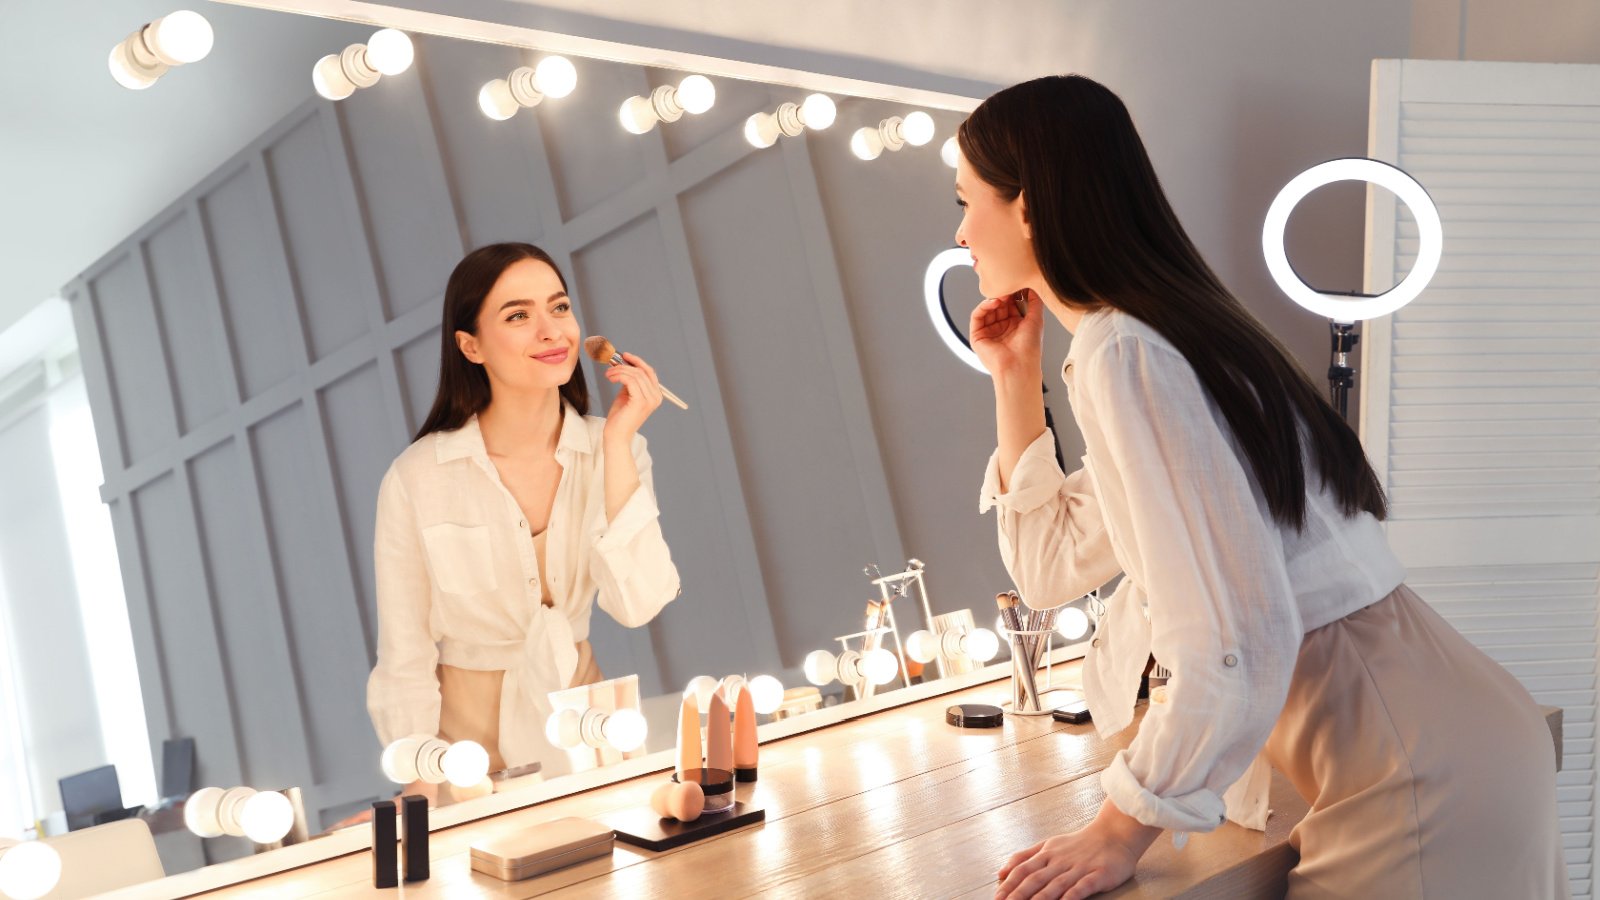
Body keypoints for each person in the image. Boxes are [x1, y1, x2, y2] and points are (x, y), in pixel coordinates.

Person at [961, 76, 1565, 899]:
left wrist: (1117, 829)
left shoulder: (1126, 352)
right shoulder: (1167, 337)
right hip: (1443, 732)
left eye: (965, 201)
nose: (961, 234)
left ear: (1027, 205)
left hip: (1406, 765)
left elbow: (1235, 634)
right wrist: (1013, 377)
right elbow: (1052, 569)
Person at [366, 242, 680, 802]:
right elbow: (405, 654)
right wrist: (419, 795)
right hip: (463, 757)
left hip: (591, 731)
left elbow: (638, 604)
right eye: (518, 315)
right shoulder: (417, 478)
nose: (551, 331)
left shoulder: (617, 448)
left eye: (559, 308)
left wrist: (617, 442)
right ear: (471, 345)